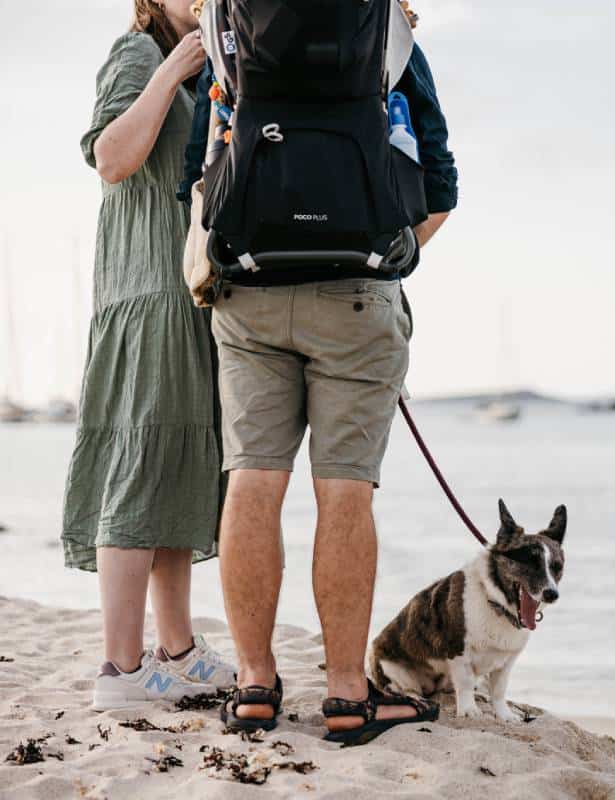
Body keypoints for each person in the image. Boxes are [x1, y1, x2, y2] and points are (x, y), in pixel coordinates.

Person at [212, 10, 458, 744]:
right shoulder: (385, 28)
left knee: (253, 478)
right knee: (345, 489)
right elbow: (439, 183)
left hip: (251, 290)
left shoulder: (232, 24)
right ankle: (348, 694)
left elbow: (208, 166)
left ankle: (256, 686)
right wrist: (386, 256)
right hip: (358, 295)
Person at [64, 0, 236, 710]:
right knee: (140, 467)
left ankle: (178, 649)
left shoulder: (209, 66)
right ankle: (120, 669)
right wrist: (171, 68)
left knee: (174, 468)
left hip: (186, 293)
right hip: (144, 296)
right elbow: (111, 157)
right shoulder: (139, 52)